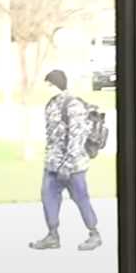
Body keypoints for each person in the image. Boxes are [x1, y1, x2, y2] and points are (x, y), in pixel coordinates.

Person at [29, 69, 101, 251]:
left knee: (81, 198)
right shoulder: (52, 104)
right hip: (53, 164)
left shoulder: (73, 105)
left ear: (55, 85)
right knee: (48, 197)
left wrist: (67, 165)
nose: (45, 88)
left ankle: (94, 233)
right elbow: (51, 135)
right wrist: (52, 161)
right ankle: (52, 235)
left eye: (48, 85)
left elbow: (78, 136)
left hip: (73, 166)